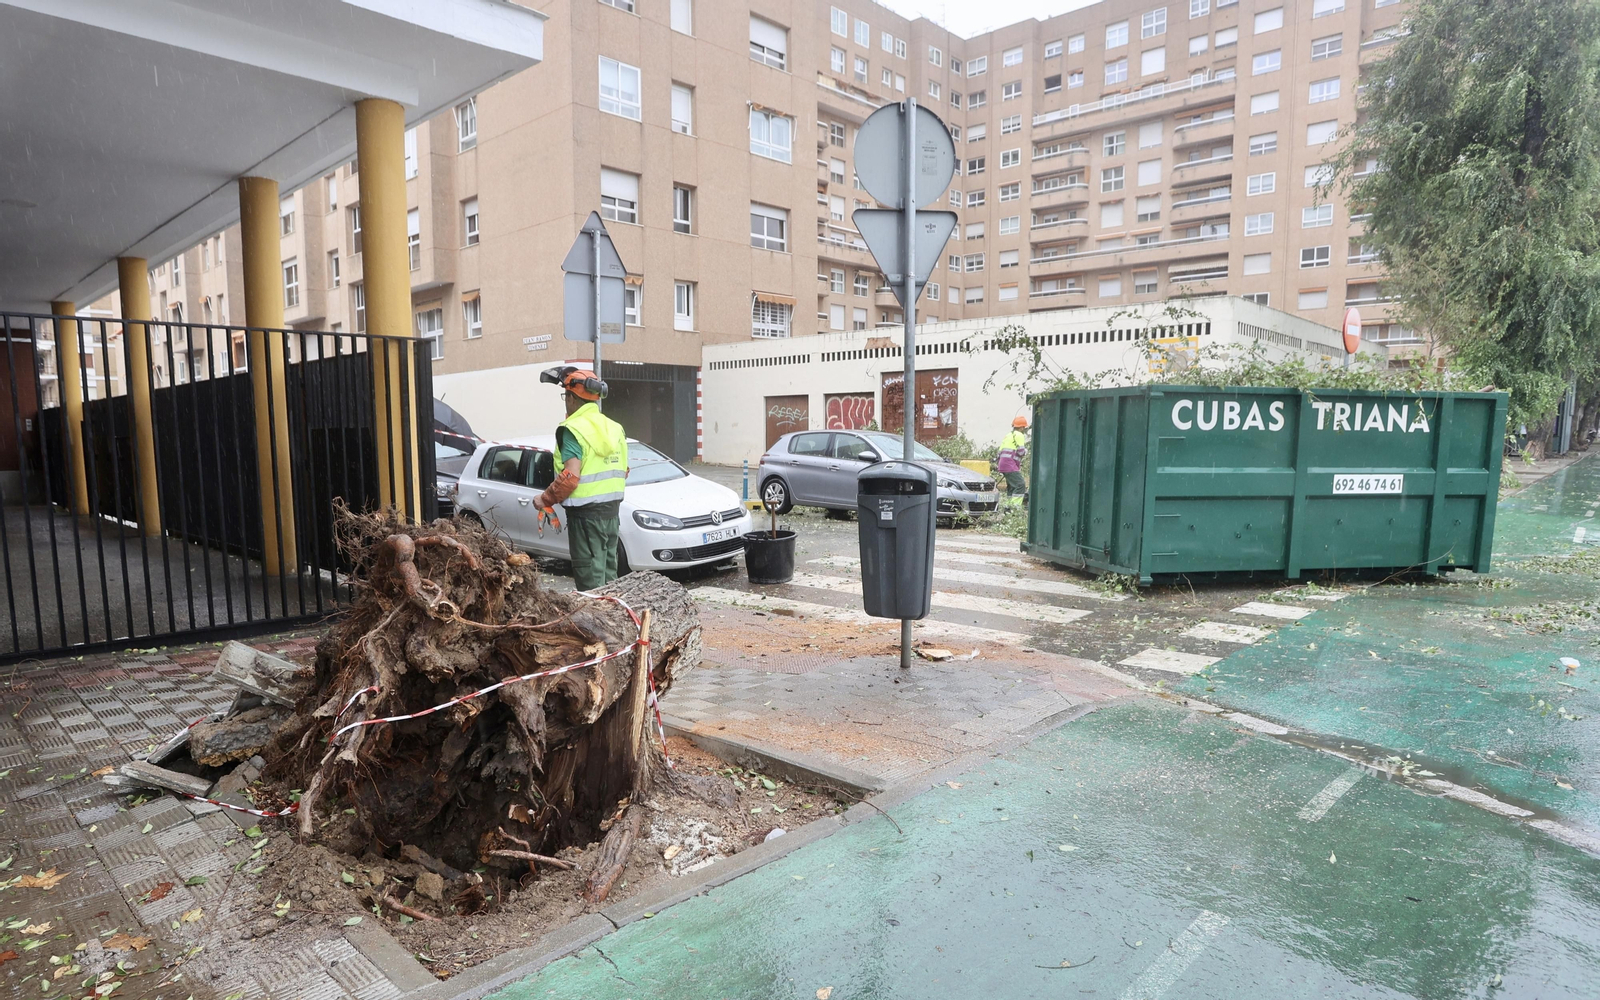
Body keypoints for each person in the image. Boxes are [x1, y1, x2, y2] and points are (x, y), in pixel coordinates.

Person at [535, 366, 629, 591]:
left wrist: (545, 499)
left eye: (565, 396)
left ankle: (594, 614)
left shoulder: (572, 429)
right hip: (611, 515)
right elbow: (624, 470)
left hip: (585, 517)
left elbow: (570, 476)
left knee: (590, 582)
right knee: (609, 577)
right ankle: (614, 613)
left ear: (571, 398)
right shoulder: (615, 428)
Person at [996, 415, 1029, 504]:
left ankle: (1008, 506)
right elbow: (1021, 452)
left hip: (1002, 465)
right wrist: (1026, 451)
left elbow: (999, 454)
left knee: (1011, 486)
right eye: (1024, 427)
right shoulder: (1019, 435)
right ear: (1021, 427)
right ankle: (1015, 507)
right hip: (1010, 465)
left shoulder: (1008, 435)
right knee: (1020, 485)